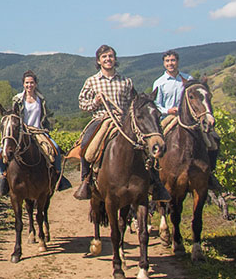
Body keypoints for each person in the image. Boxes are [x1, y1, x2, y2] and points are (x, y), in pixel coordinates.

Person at [73, 45, 170, 201]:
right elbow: (82, 104)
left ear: (115, 59)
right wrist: (95, 102)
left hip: (123, 120)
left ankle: (155, 182)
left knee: (144, 146)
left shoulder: (125, 81)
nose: (108, 59)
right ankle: (86, 180)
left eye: (110, 56)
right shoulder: (92, 81)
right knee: (86, 144)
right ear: (99, 60)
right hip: (101, 119)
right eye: (104, 57)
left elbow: (133, 103)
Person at [0, 70, 72, 197]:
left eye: (31, 83)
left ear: (35, 84)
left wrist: (46, 130)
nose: (29, 85)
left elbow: (45, 116)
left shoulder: (41, 99)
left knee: (56, 149)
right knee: (0, 152)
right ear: (23, 84)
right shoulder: (18, 99)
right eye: (26, 83)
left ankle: (58, 176)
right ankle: (3, 177)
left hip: (38, 131)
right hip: (22, 132)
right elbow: (13, 116)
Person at [152, 49, 221, 191]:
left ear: (177, 62)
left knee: (214, 139)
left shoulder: (187, 79)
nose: (170, 63)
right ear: (164, 64)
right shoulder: (160, 83)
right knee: (157, 144)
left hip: (189, 119)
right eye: (167, 61)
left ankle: (209, 175)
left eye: (173, 60)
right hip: (169, 117)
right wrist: (168, 110)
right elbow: (156, 104)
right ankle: (154, 178)